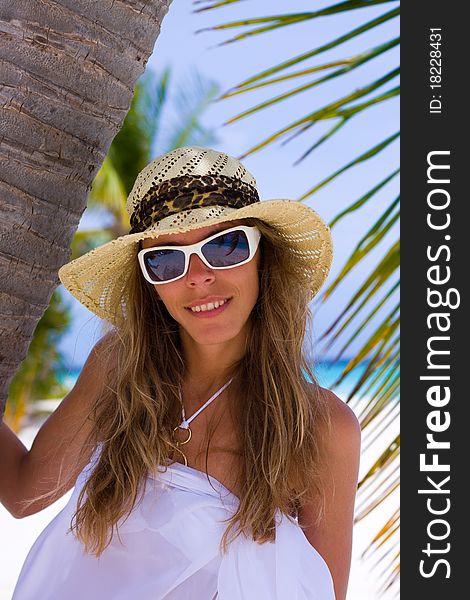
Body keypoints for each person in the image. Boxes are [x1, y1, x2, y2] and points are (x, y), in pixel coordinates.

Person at [1, 146, 361, 600]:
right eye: (167, 260)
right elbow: (23, 494)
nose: (197, 277)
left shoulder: (320, 427)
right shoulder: (120, 370)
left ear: (263, 258)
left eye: (225, 246)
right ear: (149, 284)